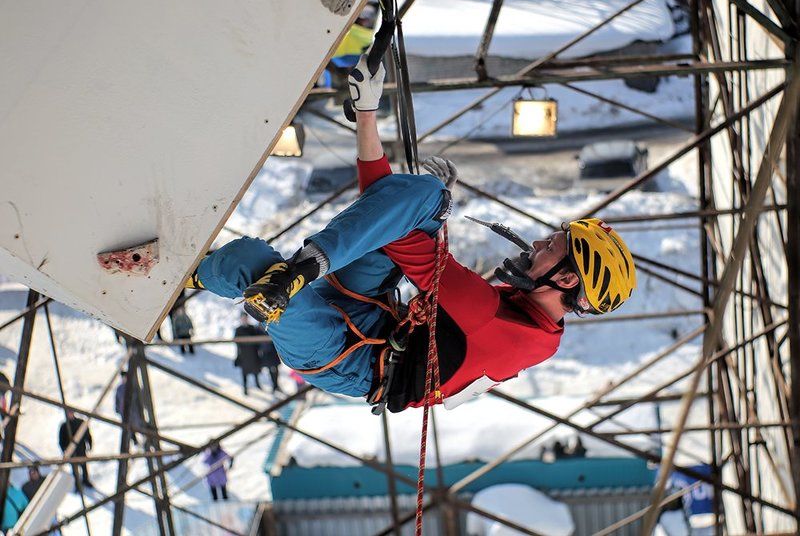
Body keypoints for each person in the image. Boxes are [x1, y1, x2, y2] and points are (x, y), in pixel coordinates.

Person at [186, 53, 636, 413]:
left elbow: (393, 228)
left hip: (348, 360)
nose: (538, 244)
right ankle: (299, 273)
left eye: (551, 247)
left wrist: (428, 204)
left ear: (567, 279)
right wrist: (366, 115)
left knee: (250, 261)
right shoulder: (533, 320)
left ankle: (184, 277)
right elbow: (384, 217)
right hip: (376, 316)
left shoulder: (494, 319)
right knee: (421, 200)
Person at [58, 410, 93, 488]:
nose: (69, 414)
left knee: (84, 466)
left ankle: (85, 480)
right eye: (68, 413)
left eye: (70, 412)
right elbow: (61, 440)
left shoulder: (80, 422)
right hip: (71, 452)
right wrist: (65, 450)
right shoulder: (64, 426)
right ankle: (77, 484)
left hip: (81, 449)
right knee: (74, 469)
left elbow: (87, 434)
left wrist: (90, 444)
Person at [233, 314, 264, 396]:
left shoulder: (252, 328)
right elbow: (236, 342)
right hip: (244, 354)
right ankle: (245, 388)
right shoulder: (238, 329)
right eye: (243, 318)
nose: (244, 320)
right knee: (244, 373)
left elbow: (257, 340)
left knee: (255, 371)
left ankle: (257, 384)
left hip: (253, 353)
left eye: (245, 318)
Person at [114, 371, 144, 445]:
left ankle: (145, 439)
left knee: (137, 425)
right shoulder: (119, 388)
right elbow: (117, 400)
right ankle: (134, 441)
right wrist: (117, 409)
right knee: (128, 428)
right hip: (124, 412)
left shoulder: (133, 386)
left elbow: (138, 399)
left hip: (134, 411)